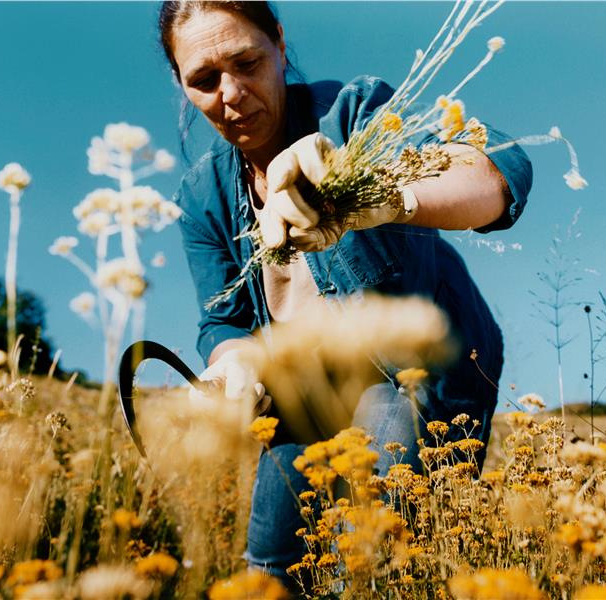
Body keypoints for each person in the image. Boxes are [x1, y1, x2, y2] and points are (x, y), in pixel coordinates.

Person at [158, 0, 532, 590]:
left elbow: (498, 173)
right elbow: (222, 321)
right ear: (182, 86)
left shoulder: (354, 113)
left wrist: (383, 195)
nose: (230, 93)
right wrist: (232, 367)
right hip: (303, 387)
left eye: (247, 62)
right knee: (271, 566)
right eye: (203, 80)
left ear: (280, 45)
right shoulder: (201, 195)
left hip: (409, 372)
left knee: (370, 553)